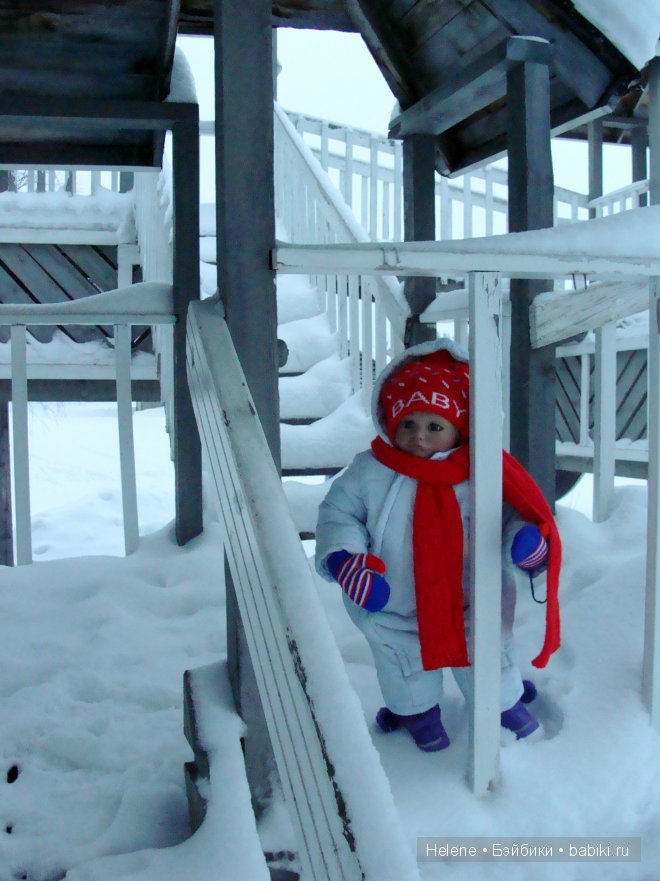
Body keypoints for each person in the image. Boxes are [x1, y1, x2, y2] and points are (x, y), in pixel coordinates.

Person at [315, 338, 561, 752]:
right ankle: (417, 714)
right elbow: (340, 515)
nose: (419, 438)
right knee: (403, 664)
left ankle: (503, 705)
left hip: (472, 602)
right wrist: (346, 560)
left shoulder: (481, 472)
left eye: (434, 426)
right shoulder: (370, 471)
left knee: (486, 657)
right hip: (395, 602)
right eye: (408, 424)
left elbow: (509, 512)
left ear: (461, 428)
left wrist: (524, 542)